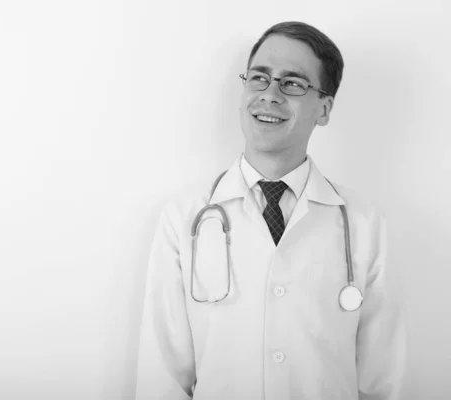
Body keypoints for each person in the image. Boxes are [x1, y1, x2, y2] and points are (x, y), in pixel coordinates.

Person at [135, 21, 406, 399]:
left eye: (293, 83)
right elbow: (160, 376)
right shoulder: (184, 217)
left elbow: (382, 380)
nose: (270, 94)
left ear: (324, 108)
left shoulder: (364, 223)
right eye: (260, 78)